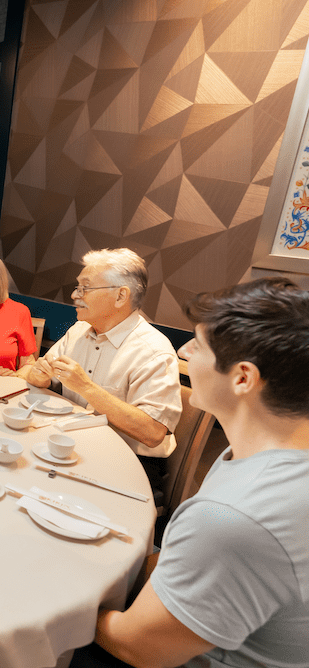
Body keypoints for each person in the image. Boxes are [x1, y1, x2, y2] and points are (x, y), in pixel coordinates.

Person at [89, 277, 309, 668]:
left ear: (243, 378)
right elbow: (180, 555)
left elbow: (137, 647)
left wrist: (63, 597)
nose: (183, 349)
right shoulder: (268, 453)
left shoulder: (235, 516)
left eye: (199, 344)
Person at [26, 248, 181, 493]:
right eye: (78, 287)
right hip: (74, 444)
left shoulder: (154, 352)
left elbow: (153, 433)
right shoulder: (78, 331)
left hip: (129, 462)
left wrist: (86, 387)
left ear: (121, 296)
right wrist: (40, 377)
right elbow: (46, 376)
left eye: (85, 288)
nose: (75, 294)